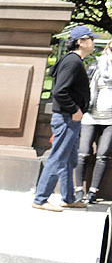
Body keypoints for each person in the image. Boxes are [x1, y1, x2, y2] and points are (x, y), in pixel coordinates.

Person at [33, 25, 96, 211]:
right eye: (90, 38)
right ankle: (40, 199)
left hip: (70, 118)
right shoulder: (73, 62)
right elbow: (60, 91)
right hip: (67, 118)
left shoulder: (74, 61)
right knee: (58, 157)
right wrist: (75, 109)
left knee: (69, 159)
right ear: (80, 42)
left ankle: (68, 197)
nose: (93, 41)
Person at [76, 40, 112, 204]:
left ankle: (93, 191)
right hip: (91, 116)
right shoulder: (95, 66)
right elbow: (84, 89)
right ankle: (78, 190)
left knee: (103, 155)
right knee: (83, 153)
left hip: (110, 119)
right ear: (107, 48)